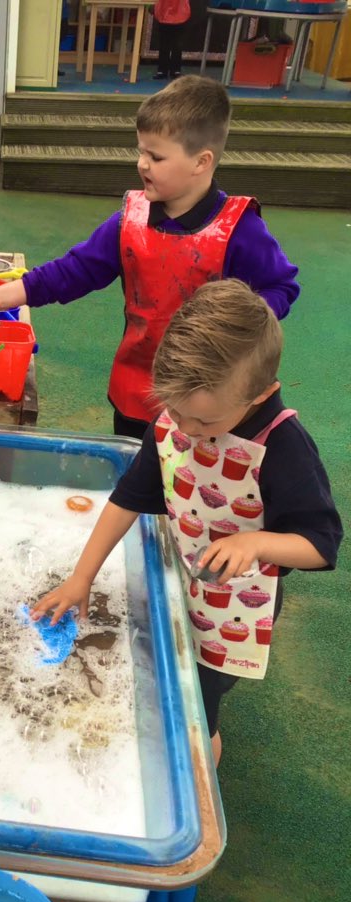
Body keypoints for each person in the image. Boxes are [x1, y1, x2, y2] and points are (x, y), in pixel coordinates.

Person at [33, 280, 342, 766]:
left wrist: (257, 543)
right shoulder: (177, 419)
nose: (187, 430)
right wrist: (81, 578)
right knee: (172, 676)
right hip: (182, 576)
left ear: (261, 394)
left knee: (198, 709)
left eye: (205, 423)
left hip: (234, 605)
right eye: (175, 411)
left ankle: (199, 778)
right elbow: (127, 500)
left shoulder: (283, 447)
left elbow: (321, 544)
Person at [0, 76, 300, 440]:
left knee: (200, 473)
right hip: (138, 392)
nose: (142, 164)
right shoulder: (130, 220)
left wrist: (239, 324)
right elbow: (78, 269)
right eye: (141, 151)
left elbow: (281, 286)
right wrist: (10, 293)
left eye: (156, 157)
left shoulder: (239, 229)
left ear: (201, 161)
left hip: (209, 402)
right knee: (134, 466)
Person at [152, 0, 190, 80]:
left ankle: (170, 70)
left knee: (174, 45)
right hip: (166, 12)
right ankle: (168, 70)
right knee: (168, 44)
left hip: (177, 12)